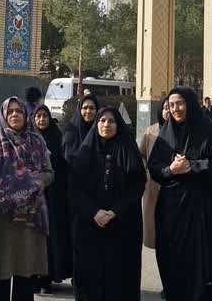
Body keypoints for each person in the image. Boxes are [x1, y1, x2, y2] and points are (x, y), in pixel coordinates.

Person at [147, 86, 212, 301]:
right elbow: (154, 167)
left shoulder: (209, 132)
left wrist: (192, 166)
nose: (176, 109)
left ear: (191, 104)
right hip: (172, 212)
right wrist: (171, 170)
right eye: (171, 105)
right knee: (174, 262)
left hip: (205, 211)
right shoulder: (166, 134)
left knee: (207, 262)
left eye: (180, 103)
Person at [69, 107, 147, 301]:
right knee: (91, 277)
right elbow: (74, 189)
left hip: (122, 226)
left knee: (119, 278)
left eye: (112, 121)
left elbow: (137, 186)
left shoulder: (128, 150)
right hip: (90, 226)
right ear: (96, 124)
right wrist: (94, 212)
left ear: (118, 125)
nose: (107, 125)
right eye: (102, 120)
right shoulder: (84, 153)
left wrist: (115, 212)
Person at [0, 97, 53, 301]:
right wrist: (15, 185)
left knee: (25, 273)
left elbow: (49, 172)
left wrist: (32, 183)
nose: (15, 115)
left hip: (31, 215)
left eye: (19, 111)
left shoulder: (37, 141)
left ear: (25, 115)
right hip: (1, 213)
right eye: (10, 111)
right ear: (3, 115)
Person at [32, 104, 72, 294]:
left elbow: (63, 168)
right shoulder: (28, 139)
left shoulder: (58, 139)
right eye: (38, 116)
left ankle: (47, 277)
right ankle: (32, 277)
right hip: (32, 197)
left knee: (51, 238)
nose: (41, 120)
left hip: (54, 197)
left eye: (45, 116)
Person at [140, 101, 171, 250]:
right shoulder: (150, 131)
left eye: (171, 107)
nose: (168, 111)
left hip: (175, 185)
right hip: (153, 184)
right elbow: (141, 155)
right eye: (165, 108)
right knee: (153, 222)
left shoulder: (185, 131)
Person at [63, 94, 102, 160]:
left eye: (92, 108)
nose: (88, 111)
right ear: (79, 110)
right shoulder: (71, 130)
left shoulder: (101, 129)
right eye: (85, 108)